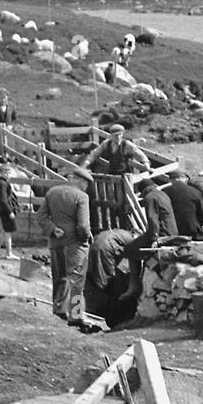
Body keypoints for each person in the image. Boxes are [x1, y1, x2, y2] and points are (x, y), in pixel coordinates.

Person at [36, 180, 93, 330]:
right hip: (75, 244)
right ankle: (76, 315)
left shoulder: (52, 192)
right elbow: (82, 225)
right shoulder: (82, 197)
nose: (86, 187)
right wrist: (86, 237)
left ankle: (59, 310)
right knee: (77, 281)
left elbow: (41, 216)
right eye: (86, 184)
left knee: (59, 277)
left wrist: (53, 229)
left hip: (55, 242)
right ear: (80, 182)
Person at [85, 228, 138, 326]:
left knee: (95, 276)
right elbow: (134, 263)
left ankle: (95, 309)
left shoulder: (119, 233)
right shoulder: (132, 240)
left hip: (94, 246)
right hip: (105, 249)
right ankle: (107, 313)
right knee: (108, 281)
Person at [82, 124, 150, 180]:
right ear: (111, 135)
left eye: (120, 134)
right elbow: (94, 154)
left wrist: (146, 164)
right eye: (116, 135)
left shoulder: (127, 144)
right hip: (112, 173)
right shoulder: (106, 144)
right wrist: (85, 164)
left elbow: (140, 154)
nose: (118, 137)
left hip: (125, 174)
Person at [163, 172, 203, 239]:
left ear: (170, 180)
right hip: (193, 233)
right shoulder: (195, 192)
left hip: (171, 233)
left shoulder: (164, 192)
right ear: (186, 179)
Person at [0, 164, 19, 259]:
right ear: (0, 173)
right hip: (5, 210)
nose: (7, 174)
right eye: (5, 172)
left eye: (9, 172)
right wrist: (10, 211)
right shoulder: (2, 184)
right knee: (8, 231)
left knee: (4, 229)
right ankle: (8, 253)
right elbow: (3, 199)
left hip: (2, 209)